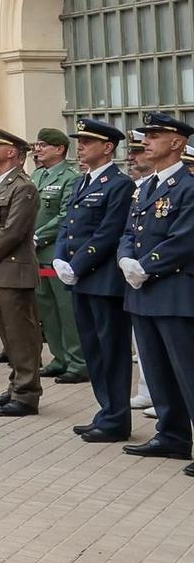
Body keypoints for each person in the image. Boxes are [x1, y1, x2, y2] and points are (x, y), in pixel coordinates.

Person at [117, 111, 194, 467]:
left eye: (154, 136)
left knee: (187, 372)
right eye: (145, 136)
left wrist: (146, 265)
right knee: (156, 369)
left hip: (174, 291)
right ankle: (172, 435)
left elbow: (185, 238)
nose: (145, 141)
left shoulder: (188, 186)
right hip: (142, 292)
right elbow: (129, 232)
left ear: (177, 142)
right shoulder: (146, 187)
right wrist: (125, 259)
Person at [54, 119, 138, 443]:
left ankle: (117, 418)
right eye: (80, 141)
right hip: (81, 279)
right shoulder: (82, 182)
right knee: (93, 350)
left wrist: (76, 264)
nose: (81, 146)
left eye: (88, 141)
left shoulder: (119, 184)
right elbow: (67, 225)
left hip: (104, 281)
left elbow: (108, 233)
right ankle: (106, 411)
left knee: (112, 351)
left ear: (108, 147)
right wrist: (60, 258)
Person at [0, 126, 44, 417]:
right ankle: (16, 386)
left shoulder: (23, 187)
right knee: (7, 334)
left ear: (12, 152)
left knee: (21, 335)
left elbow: (13, 230)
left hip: (13, 269)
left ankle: (26, 394)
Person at [29, 127, 87, 385]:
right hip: (34, 254)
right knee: (47, 311)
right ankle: (59, 358)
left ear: (60, 149)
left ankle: (78, 362)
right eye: (37, 145)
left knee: (67, 311)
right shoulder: (37, 175)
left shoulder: (70, 178)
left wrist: (38, 236)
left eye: (43, 145)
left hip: (56, 253)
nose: (37, 149)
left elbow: (65, 215)